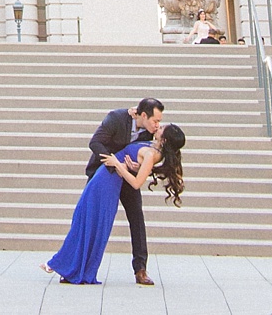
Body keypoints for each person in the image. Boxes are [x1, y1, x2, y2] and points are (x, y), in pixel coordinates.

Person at [44, 122, 186, 286]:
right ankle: (72, 267)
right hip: (108, 176)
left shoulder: (152, 153)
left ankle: (70, 266)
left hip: (112, 177)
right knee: (86, 217)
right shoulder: (148, 140)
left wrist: (117, 164)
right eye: (158, 123)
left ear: (165, 140)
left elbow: (136, 183)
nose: (158, 126)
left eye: (161, 128)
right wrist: (133, 165)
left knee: (97, 221)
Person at [83, 99, 163, 283]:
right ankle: (77, 265)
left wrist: (135, 168)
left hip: (126, 178)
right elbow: (95, 143)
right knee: (88, 217)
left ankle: (140, 269)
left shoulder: (152, 134)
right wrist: (114, 165)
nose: (158, 125)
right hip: (103, 173)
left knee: (136, 218)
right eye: (155, 121)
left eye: (159, 121)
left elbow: (148, 159)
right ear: (143, 115)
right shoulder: (117, 118)